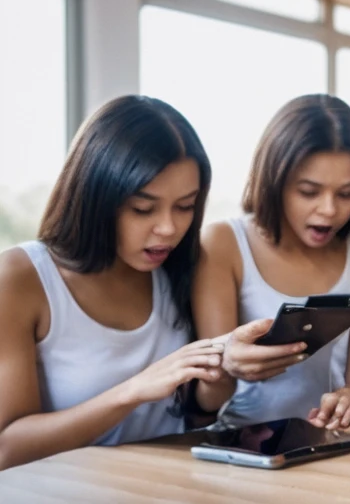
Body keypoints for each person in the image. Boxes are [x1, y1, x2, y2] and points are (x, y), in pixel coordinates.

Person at [0, 96, 223, 469]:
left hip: (166, 489)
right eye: (143, 209)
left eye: (185, 206)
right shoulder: (21, 279)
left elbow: (196, 422)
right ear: (95, 197)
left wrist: (223, 374)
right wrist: (132, 392)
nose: (168, 228)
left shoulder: (182, 268)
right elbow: (7, 449)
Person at [193, 95, 350, 430]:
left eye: (346, 194)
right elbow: (209, 397)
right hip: (240, 443)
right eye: (309, 192)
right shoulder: (223, 243)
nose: (329, 210)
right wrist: (226, 364)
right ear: (275, 181)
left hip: (331, 439)